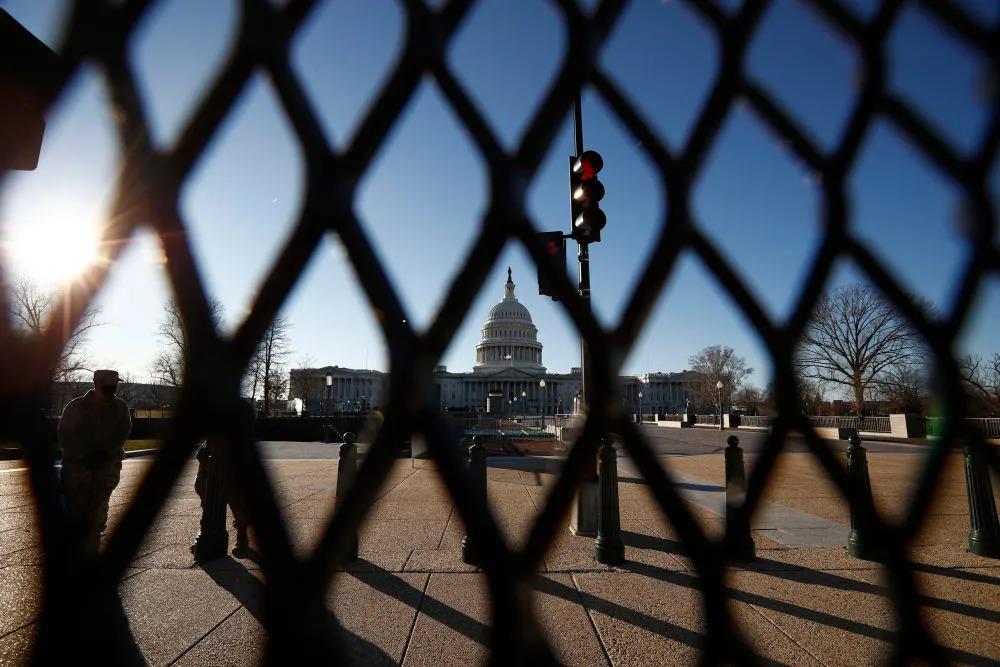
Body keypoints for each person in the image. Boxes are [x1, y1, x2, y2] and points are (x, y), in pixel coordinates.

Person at [58, 369, 132, 554]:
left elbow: (122, 433)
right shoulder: (76, 406)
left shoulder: (120, 407)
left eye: (115, 383)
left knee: (97, 517)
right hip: (77, 471)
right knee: (75, 515)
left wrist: (105, 453)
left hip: (105, 471)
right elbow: (64, 436)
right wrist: (83, 455)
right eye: (109, 383)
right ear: (96, 382)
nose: (113, 387)